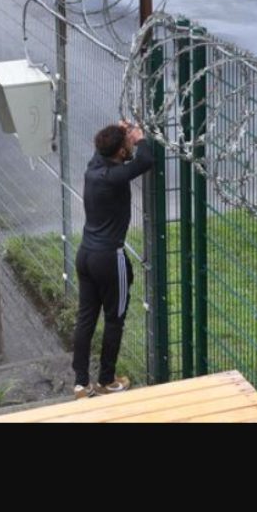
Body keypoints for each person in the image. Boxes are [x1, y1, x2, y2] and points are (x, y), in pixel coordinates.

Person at [72, 120, 153, 398]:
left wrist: (119, 131)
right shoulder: (114, 176)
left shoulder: (93, 168)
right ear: (120, 152)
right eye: (126, 144)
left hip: (85, 255)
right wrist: (140, 138)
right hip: (109, 258)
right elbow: (145, 161)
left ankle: (81, 383)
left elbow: (107, 149)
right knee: (114, 319)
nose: (130, 146)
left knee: (85, 319)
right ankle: (107, 380)